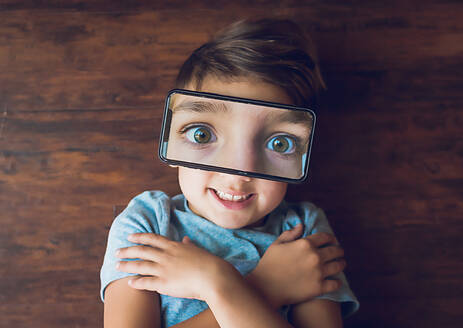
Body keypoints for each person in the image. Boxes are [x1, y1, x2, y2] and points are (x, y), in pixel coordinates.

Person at [100, 18, 359, 328]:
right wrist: (258, 286)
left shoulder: (303, 230)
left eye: (279, 142)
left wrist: (217, 283)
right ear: (171, 139)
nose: (238, 176)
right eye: (202, 135)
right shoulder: (148, 223)